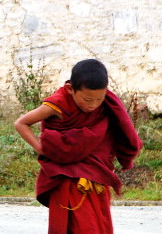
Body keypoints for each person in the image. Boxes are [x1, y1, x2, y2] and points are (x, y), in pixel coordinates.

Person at [14, 59, 143, 234]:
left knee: (99, 227)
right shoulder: (58, 103)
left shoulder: (106, 105)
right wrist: (42, 149)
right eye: (87, 99)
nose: (93, 105)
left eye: (100, 99)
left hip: (97, 177)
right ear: (70, 89)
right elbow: (21, 123)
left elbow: (123, 131)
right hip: (67, 181)